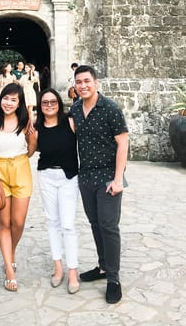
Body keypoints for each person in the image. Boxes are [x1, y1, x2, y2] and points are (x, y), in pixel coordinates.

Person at [69, 65, 129, 305]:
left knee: (108, 225)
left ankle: (113, 279)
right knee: (95, 223)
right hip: (86, 177)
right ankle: (103, 267)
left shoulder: (110, 109)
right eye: (79, 82)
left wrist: (118, 179)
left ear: (95, 83)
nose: (83, 85)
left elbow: (123, 143)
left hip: (107, 177)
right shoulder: (75, 110)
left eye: (87, 81)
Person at [0, 83, 36, 292]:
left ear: (19, 102)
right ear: (0, 98)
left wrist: (19, 159)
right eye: (6, 98)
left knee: (18, 221)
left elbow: (32, 148)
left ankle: (11, 251)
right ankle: (9, 268)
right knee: (4, 222)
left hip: (20, 167)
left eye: (14, 100)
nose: (8, 103)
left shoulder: (25, 123)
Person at [35, 88, 80, 294]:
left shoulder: (70, 122)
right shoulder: (37, 127)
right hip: (46, 176)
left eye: (53, 101)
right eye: (45, 102)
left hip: (68, 177)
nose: (49, 105)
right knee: (52, 221)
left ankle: (72, 271)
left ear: (59, 103)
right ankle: (58, 267)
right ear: (40, 105)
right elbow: (30, 150)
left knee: (68, 225)